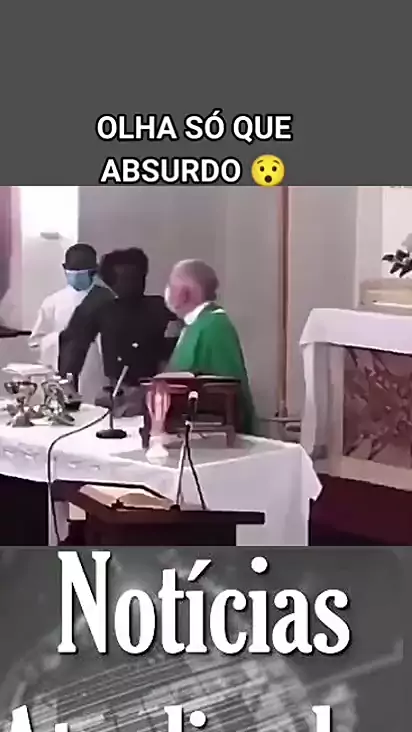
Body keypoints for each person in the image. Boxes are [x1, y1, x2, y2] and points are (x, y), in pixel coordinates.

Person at [58, 248, 179, 403]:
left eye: (140, 277)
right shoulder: (98, 307)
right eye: (128, 279)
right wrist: (68, 392)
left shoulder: (158, 306)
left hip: (157, 389)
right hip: (118, 390)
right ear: (111, 281)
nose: (136, 284)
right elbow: (72, 349)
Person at [164, 259, 256, 433]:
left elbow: (226, 390)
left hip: (212, 432)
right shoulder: (196, 324)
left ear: (185, 293)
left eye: (171, 285)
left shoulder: (214, 326)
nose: (168, 291)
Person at [29, 243, 105, 403]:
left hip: (95, 370)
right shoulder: (53, 301)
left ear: (94, 271)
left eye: (81, 273)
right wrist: (60, 338)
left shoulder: (106, 299)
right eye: (72, 272)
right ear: (64, 269)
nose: (76, 277)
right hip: (61, 368)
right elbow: (35, 341)